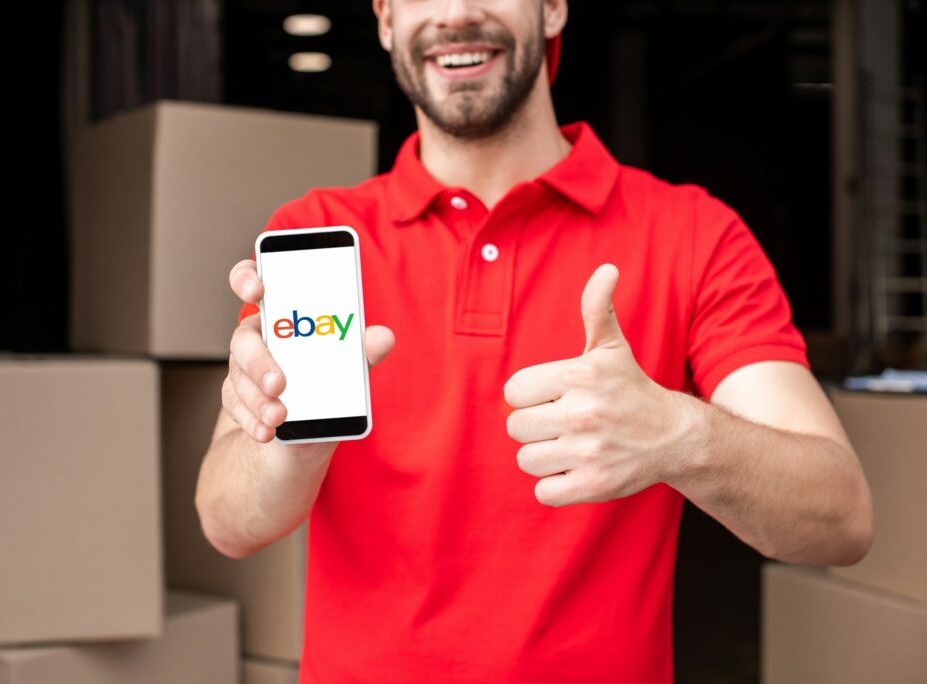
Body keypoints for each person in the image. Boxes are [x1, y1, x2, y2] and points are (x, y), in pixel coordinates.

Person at [196, 1, 873, 681]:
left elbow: (840, 519)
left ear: (552, 7)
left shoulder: (695, 234)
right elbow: (228, 522)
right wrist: (293, 445)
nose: (456, 13)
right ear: (384, 19)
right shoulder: (315, 234)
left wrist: (682, 435)